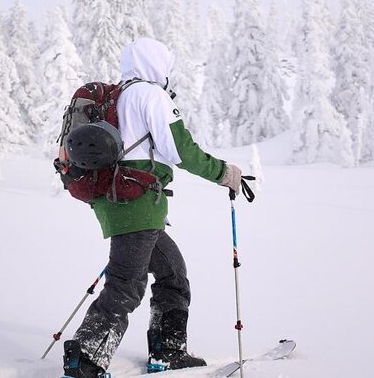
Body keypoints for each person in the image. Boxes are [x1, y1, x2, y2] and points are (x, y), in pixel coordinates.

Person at [62, 38, 243, 378]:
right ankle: (84, 359)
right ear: (157, 65)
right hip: (137, 202)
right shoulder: (150, 95)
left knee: (172, 274)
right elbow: (181, 150)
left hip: (126, 201)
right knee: (125, 285)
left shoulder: (118, 96)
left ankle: (168, 351)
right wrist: (223, 173)